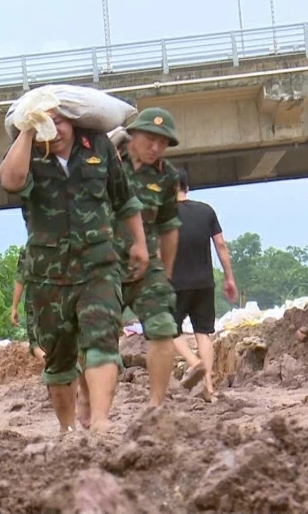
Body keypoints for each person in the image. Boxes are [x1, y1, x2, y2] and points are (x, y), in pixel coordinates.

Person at [0, 109, 149, 433]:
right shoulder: (29, 154)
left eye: (62, 121)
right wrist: (27, 131)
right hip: (49, 275)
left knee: (102, 339)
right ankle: (67, 431)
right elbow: (10, 181)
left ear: (75, 121)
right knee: (59, 359)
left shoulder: (98, 146)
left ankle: (101, 420)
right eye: (48, 123)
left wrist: (139, 242)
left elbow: (124, 199)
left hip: (98, 266)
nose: (57, 129)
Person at [115, 107, 183, 408]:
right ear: (133, 134)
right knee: (91, 335)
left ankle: (156, 405)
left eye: (163, 142)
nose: (156, 147)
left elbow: (169, 227)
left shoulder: (167, 176)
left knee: (163, 326)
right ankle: (91, 405)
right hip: (103, 263)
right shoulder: (109, 162)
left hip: (147, 266)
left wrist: (165, 276)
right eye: (150, 139)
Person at [171, 168, 238, 400]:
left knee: (168, 330)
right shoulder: (206, 211)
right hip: (204, 282)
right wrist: (229, 278)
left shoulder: (163, 214)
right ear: (187, 187)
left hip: (174, 283)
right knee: (203, 333)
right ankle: (208, 388)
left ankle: (194, 362)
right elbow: (221, 245)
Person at [11, 248, 44, 359]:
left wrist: (14, 307)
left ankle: (52, 369)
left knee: (36, 346)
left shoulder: (30, 248)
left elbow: (20, 279)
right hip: (61, 304)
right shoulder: (65, 244)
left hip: (35, 305)